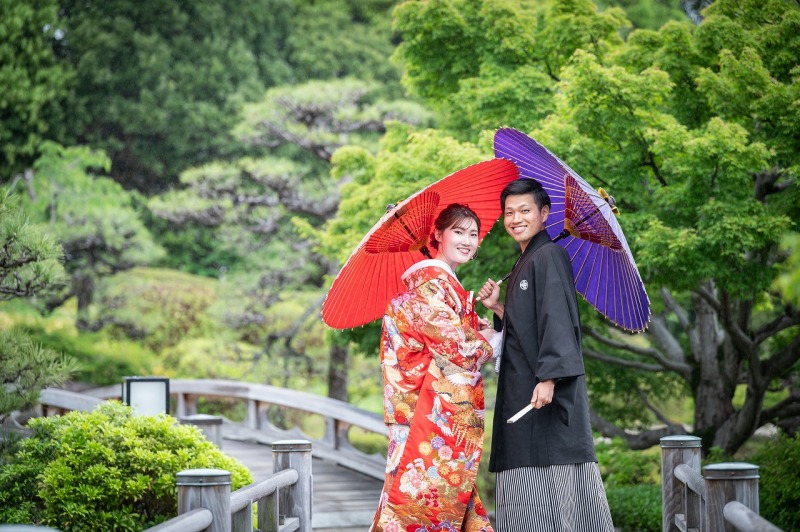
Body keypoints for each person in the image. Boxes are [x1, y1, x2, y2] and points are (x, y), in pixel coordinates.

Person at [477, 179, 614, 532]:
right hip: (526, 386)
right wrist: (498, 307)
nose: (516, 218)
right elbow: (528, 328)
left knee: (551, 485)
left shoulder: (549, 254)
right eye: (509, 212)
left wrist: (550, 377)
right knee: (527, 477)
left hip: (543, 392)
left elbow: (557, 318)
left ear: (544, 214)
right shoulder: (528, 259)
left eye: (525, 210)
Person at [370, 203, 499, 532]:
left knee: (440, 499)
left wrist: (478, 322)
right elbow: (457, 348)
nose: (468, 240)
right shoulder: (431, 286)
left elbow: (450, 336)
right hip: (425, 411)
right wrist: (493, 337)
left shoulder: (442, 286)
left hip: (424, 406)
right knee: (420, 501)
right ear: (438, 235)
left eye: (473, 234)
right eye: (458, 231)